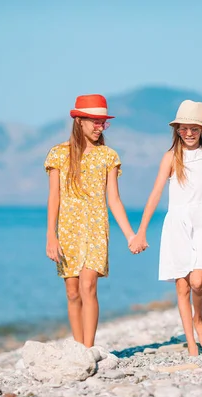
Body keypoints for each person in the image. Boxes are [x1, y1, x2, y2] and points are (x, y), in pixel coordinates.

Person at [129, 100, 202, 356]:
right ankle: (192, 345)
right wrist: (141, 231)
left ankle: (199, 317)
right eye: (184, 128)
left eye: (194, 128)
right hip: (177, 224)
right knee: (182, 286)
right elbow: (156, 193)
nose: (189, 133)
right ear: (177, 130)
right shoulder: (171, 157)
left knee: (198, 282)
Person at [44, 94, 138, 347]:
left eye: (103, 123)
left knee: (88, 286)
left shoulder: (108, 156)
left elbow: (115, 200)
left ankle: (88, 349)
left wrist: (131, 235)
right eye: (95, 122)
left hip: (97, 228)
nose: (99, 127)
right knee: (72, 292)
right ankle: (77, 347)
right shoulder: (58, 154)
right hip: (67, 230)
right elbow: (54, 197)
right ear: (79, 122)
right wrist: (50, 236)